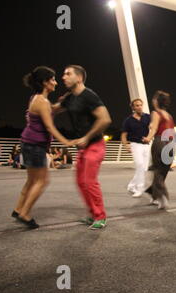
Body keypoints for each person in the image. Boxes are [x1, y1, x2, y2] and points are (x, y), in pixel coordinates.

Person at [12, 66, 74, 229]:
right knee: (42, 180)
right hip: (35, 145)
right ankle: (25, 214)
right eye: (52, 79)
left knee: (32, 180)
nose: (55, 82)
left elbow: (51, 110)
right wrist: (66, 141)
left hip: (28, 143)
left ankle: (18, 209)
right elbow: (50, 126)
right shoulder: (42, 102)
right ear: (45, 82)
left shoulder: (36, 98)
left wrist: (64, 101)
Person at [55, 65, 112, 230]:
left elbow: (105, 119)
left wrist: (87, 137)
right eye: (63, 74)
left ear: (79, 78)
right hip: (82, 147)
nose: (63, 77)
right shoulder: (70, 97)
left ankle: (101, 216)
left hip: (94, 144)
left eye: (67, 74)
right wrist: (37, 106)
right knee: (80, 182)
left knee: (89, 182)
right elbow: (53, 110)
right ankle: (93, 213)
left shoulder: (89, 96)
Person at [143, 90, 176, 209]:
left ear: (157, 101)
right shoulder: (169, 115)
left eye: (154, 98)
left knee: (158, 171)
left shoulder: (156, 113)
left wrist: (148, 138)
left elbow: (155, 128)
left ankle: (163, 197)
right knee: (163, 171)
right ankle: (154, 195)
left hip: (160, 142)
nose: (153, 100)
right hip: (171, 144)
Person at [121, 98, 151, 198]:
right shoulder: (128, 120)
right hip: (135, 145)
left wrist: (149, 137)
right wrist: (126, 145)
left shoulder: (148, 117)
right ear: (133, 107)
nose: (139, 107)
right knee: (140, 165)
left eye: (140, 105)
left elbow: (153, 128)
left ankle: (131, 185)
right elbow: (124, 135)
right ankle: (139, 188)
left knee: (144, 168)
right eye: (137, 105)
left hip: (146, 145)